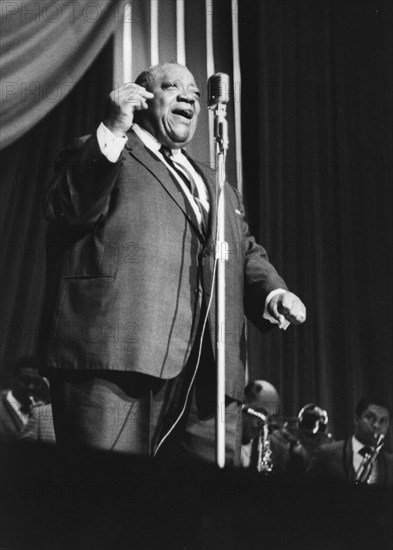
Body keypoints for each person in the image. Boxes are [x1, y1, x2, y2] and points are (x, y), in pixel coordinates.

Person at [41, 62, 306, 466]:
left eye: (196, 94)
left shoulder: (218, 185)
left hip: (208, 380)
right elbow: (68, 210)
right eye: (172, 87)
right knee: (105, 511)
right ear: (142, 97)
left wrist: (274, 292)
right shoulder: (105, 149)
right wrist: (112, 128)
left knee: (198, 520)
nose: (189, 98)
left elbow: (244, 249)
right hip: (119, 362)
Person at [307, 397, 393, 485]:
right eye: (370, 418)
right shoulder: (327, 454)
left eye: (383, 421)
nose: (376, 426)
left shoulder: (390, 462)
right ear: (356, 419)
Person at [0, 356, 50, 442]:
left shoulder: (42, 409)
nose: (31, 387)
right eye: (25, 380)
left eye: (36, 382)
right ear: (13, 380)